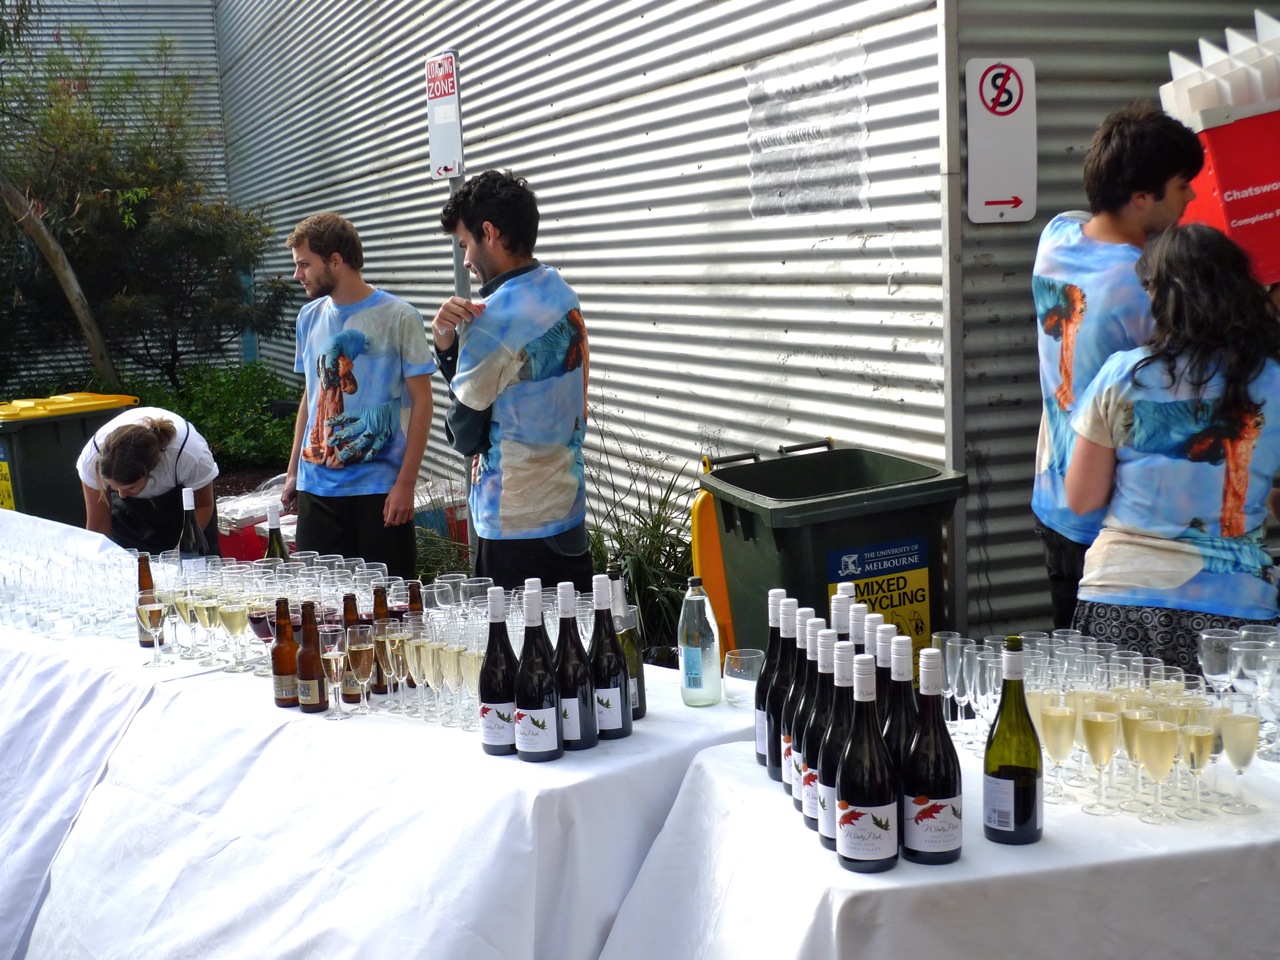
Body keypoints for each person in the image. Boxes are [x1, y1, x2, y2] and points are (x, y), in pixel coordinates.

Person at [1065, 225, 1280, 669]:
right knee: (1227, 717)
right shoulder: (1273, 381)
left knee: (1118, 719)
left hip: (1120, 599)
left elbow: (1082, 498)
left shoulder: (1122, 374)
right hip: (1236, 611)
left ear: (1162, 297)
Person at [1031, 100, 1204, 628]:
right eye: (1182, 186)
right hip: (1110, 521)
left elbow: (1085, 218)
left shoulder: (1056, 236)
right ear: (1141, 198)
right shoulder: (1144, 289)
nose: (1192, 197)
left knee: (1072, 660)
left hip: (1054, 499)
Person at [430, 169, 592, 591]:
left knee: (516, 635)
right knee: (573, 632)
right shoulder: (560, 292)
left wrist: (445, 347)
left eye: (465, 244)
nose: (466, 259)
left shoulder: (492, 320)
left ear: (489, 233)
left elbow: (465, 433)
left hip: (513, 525)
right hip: (568, 514)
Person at [282, 212, 434, 579]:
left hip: (380, 492)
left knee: (390, 604)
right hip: (317, 492)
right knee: (321, 605)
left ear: (335, 260)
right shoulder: (308, 317)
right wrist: (293, 473)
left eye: (304, 264)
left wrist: (406, 484)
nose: (297, 274)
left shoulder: (400, 316)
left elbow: (423, 403)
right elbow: (311, 396)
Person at [76, 406, 221, 555]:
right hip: (130, 518)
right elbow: (98, 526)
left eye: (130, 488)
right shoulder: (92, 458)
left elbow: (203, 505)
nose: (121, 495)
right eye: (114, 488)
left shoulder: (190, 455)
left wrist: (182, 551)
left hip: (184, 509)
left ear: (152, 470)